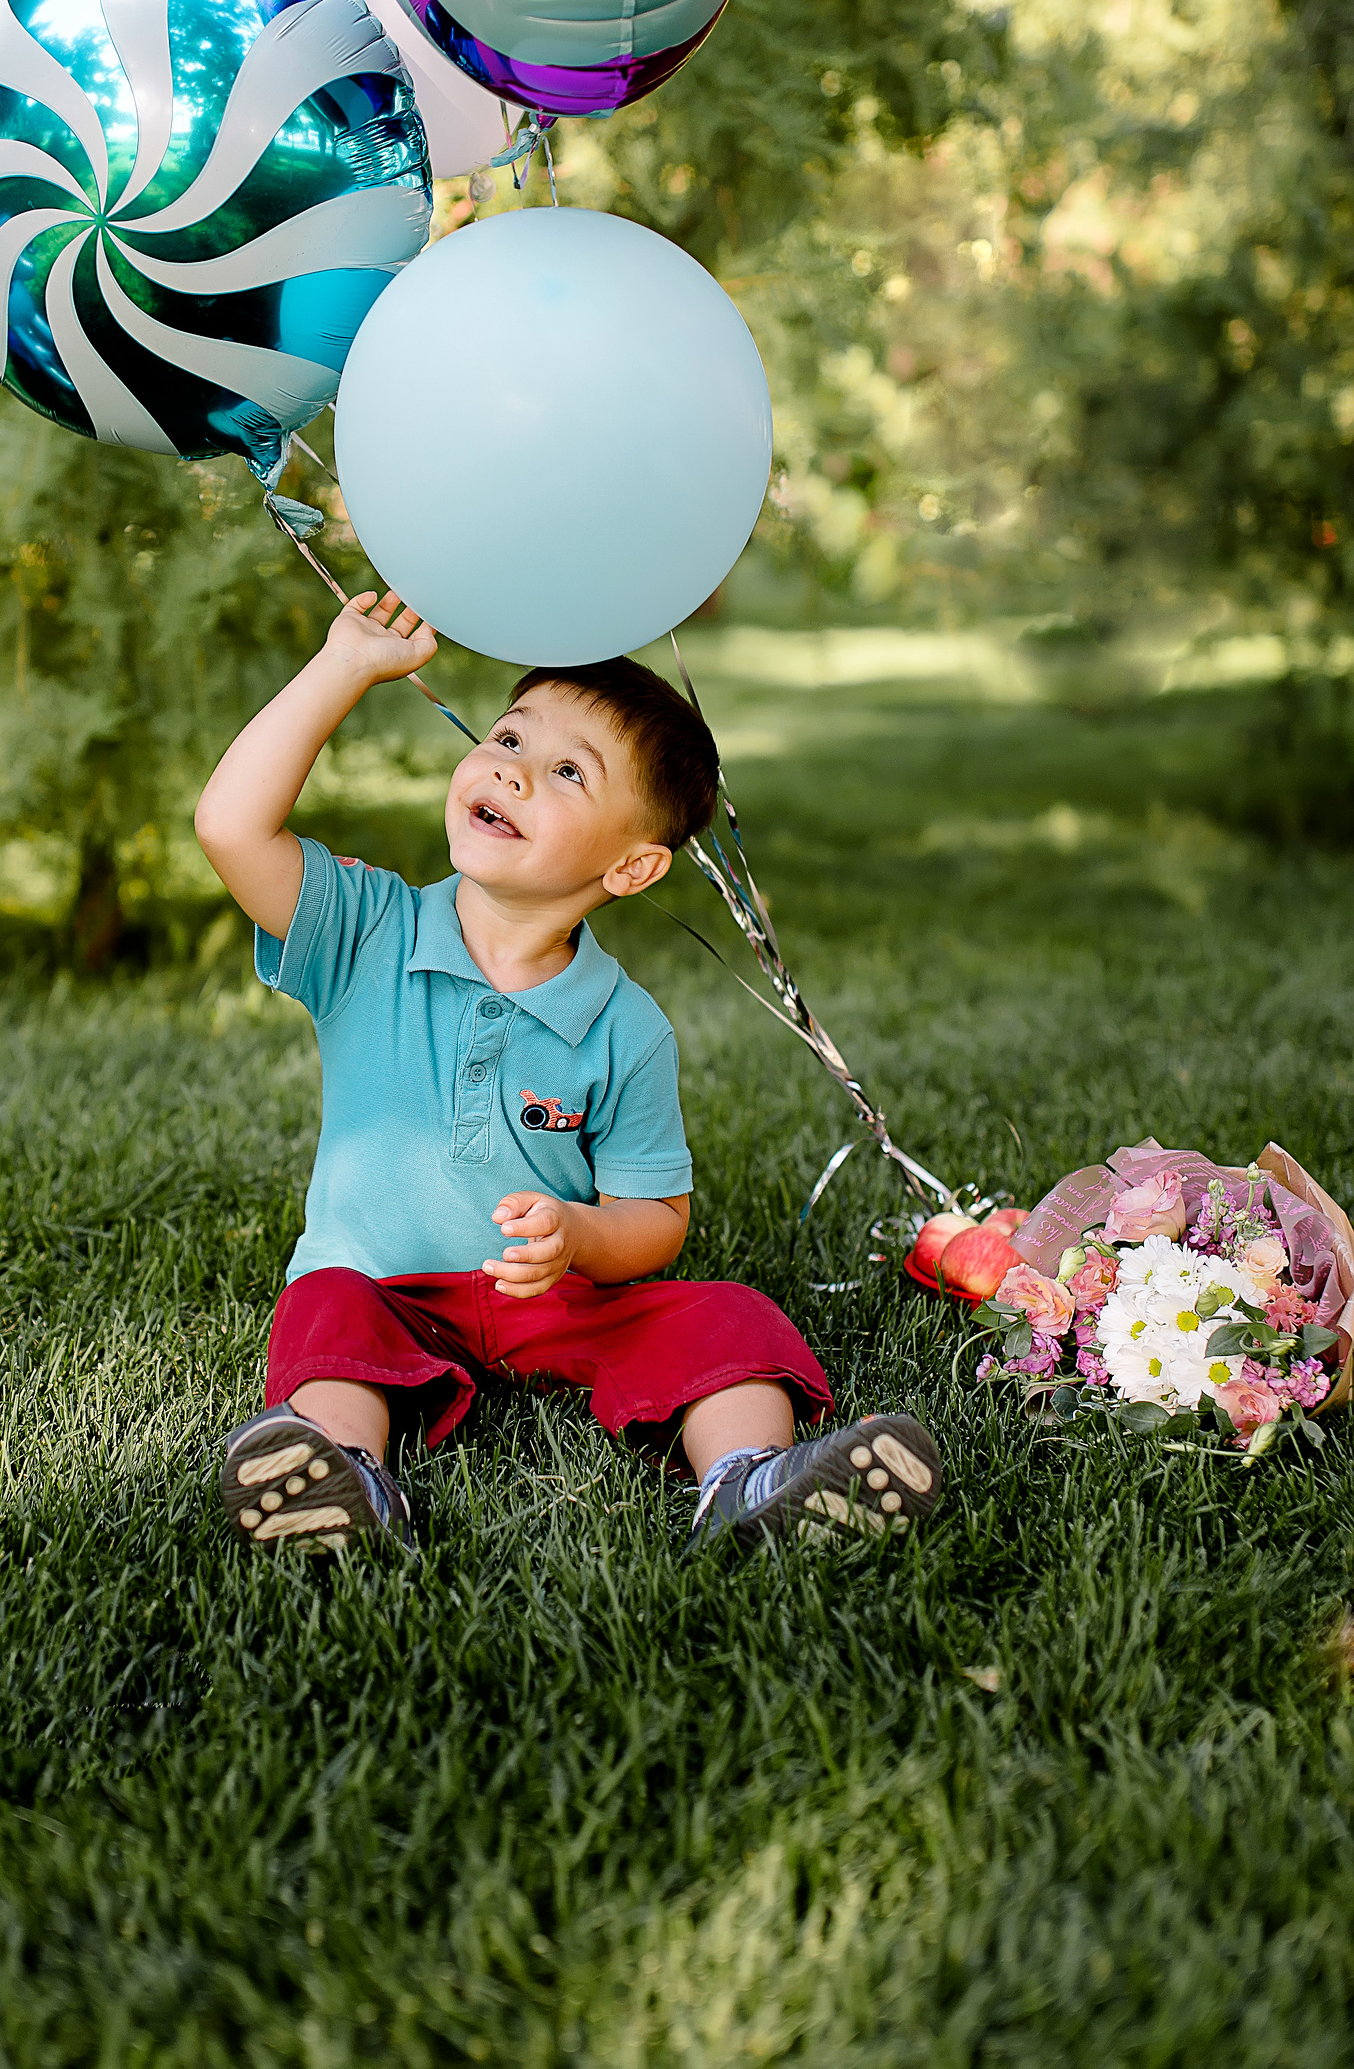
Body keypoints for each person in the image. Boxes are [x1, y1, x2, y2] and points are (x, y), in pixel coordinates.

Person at [194, 590, 943, 1556]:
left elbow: (655, 1222)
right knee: (323, 1308)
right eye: (507, 738)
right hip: (386, 1286)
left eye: (563, 772)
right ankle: (342, 1477)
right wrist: (342, 666)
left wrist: (579, 1235)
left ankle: (747, 1481)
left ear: (631, 869)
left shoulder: (624, 1027)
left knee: (726, 1315)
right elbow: (229, 827)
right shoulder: (365, 930)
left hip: (549, 1303)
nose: (509, 770)